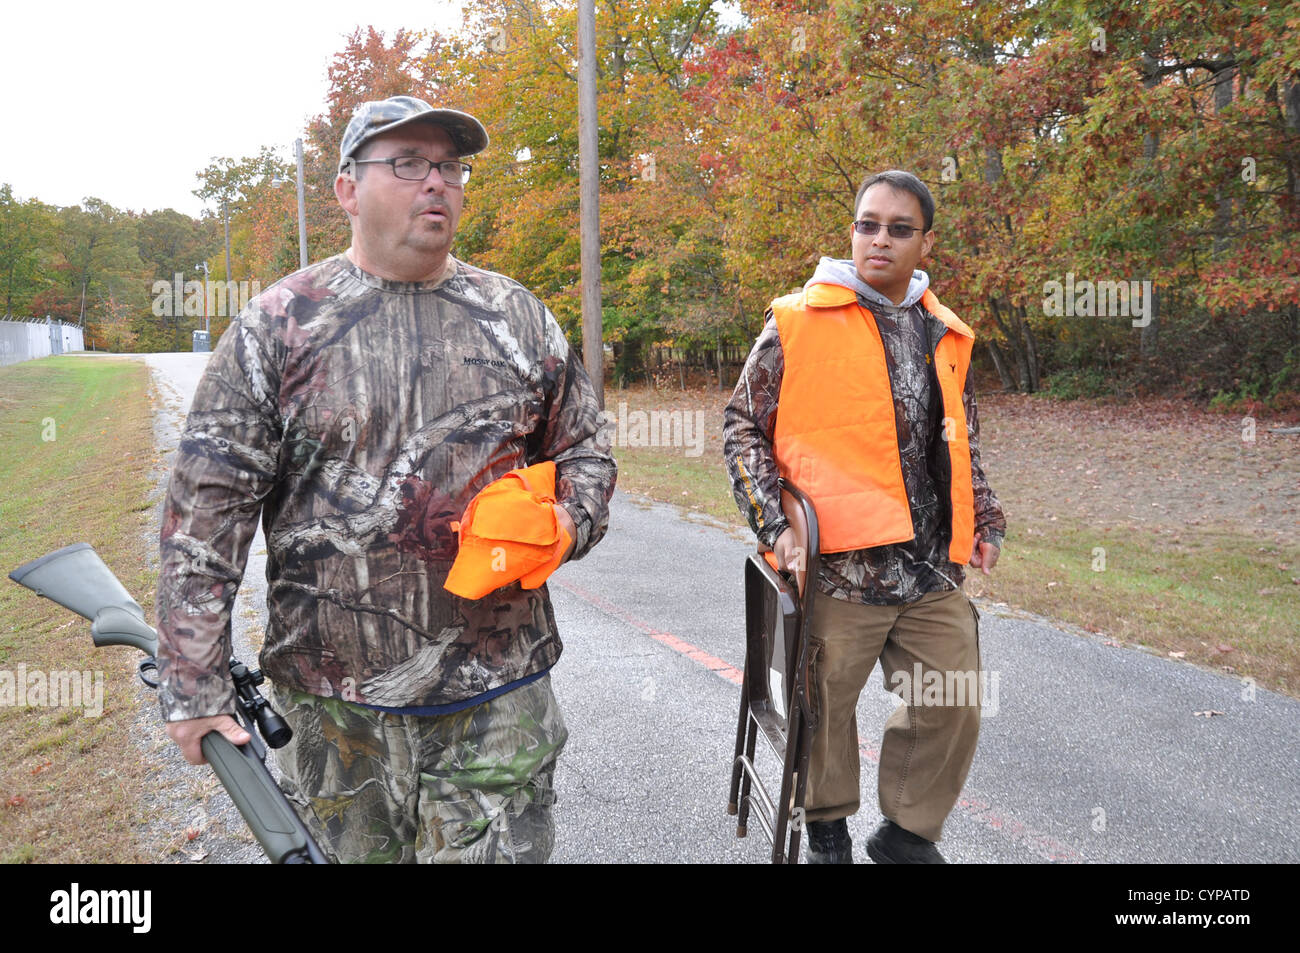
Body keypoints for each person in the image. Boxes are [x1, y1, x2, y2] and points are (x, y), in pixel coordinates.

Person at [155, 95, 616, 864]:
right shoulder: (277, 327)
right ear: (346, 188)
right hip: (336, 717)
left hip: (497, 699)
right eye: (407, 163)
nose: (436, 182)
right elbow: (205, 519)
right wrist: (193, 685)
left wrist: (569, 522)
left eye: (449, 166)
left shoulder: (518, 317)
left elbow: (587, 452)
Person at [723, 170, 1005, 863]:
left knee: (954, 697)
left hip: (930, 566)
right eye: (867, 223)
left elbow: (958, 436)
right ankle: (827, 832)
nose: (880, 238)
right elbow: (741, 427)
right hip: (836, 568)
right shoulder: (798, 317)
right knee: (822, 711)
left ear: (924, 241)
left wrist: (986, 515)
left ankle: (905, 833)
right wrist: (775, 527)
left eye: (898, 227)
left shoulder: (942, 328)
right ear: (852, 231)